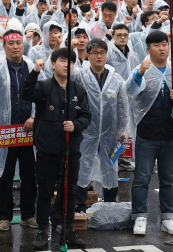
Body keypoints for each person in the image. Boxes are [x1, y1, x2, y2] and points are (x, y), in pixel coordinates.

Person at [23, 48, 90, 249]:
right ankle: (43, 229)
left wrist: (76, 126)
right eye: (62, 60)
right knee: (44, 191)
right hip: (47, 149)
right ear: (53, 64)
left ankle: (68, 229)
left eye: (70, 62)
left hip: (71, 150)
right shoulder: (43, 87)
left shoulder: (78, 89)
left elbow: (86, 116)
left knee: (69, 192)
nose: (66, 65)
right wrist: (34, 71)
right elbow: (26, 93)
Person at [0, 29, 39, 231]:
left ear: (23, 45)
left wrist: (34, 116)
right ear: (3, 47)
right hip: (5, 131)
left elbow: (41, 92)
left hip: (27, 131)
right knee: (4, 174)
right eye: (10, 44)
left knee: (29, 175)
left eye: (18, 43)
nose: (15, 47)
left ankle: (28, 215)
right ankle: (4, 216)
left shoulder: (31, 66)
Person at [71, 39, 129, 214]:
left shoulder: (116, 78)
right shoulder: (80, 75)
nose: (99, 56)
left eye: (102, 53)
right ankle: (79, 206)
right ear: (88, 55)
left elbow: (123, 106)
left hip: (109, 132)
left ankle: (110, 204)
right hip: (86, 131)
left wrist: (123, 129)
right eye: (95, 53)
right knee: (83, 166)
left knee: (110, 167)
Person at [125, 31, 173, 236]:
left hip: (169, 134)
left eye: (165, 44)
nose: (162, 48)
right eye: (156, 45)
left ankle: (168, 217)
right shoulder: (143, 68)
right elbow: (129, 90)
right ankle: (140, 216)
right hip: (147, 133)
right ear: (148, 49)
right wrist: (139, 74)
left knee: (168, 178)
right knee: (142, 178)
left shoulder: (172, 70)